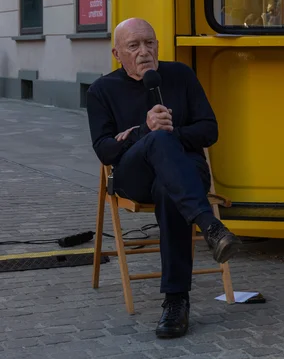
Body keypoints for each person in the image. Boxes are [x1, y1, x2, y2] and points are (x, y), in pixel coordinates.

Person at [86, 18, 243, 339]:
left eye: (150, 43)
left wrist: (171, 133)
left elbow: (209, 130)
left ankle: (176, 302)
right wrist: (146, 133)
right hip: (134, 176)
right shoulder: (102, 90)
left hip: (185, 173)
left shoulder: (180, 75)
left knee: (170, 188)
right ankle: (210, 225)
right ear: (118, 53)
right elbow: (104, 151)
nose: (144, 52)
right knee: (157, 142)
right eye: (134, 46)